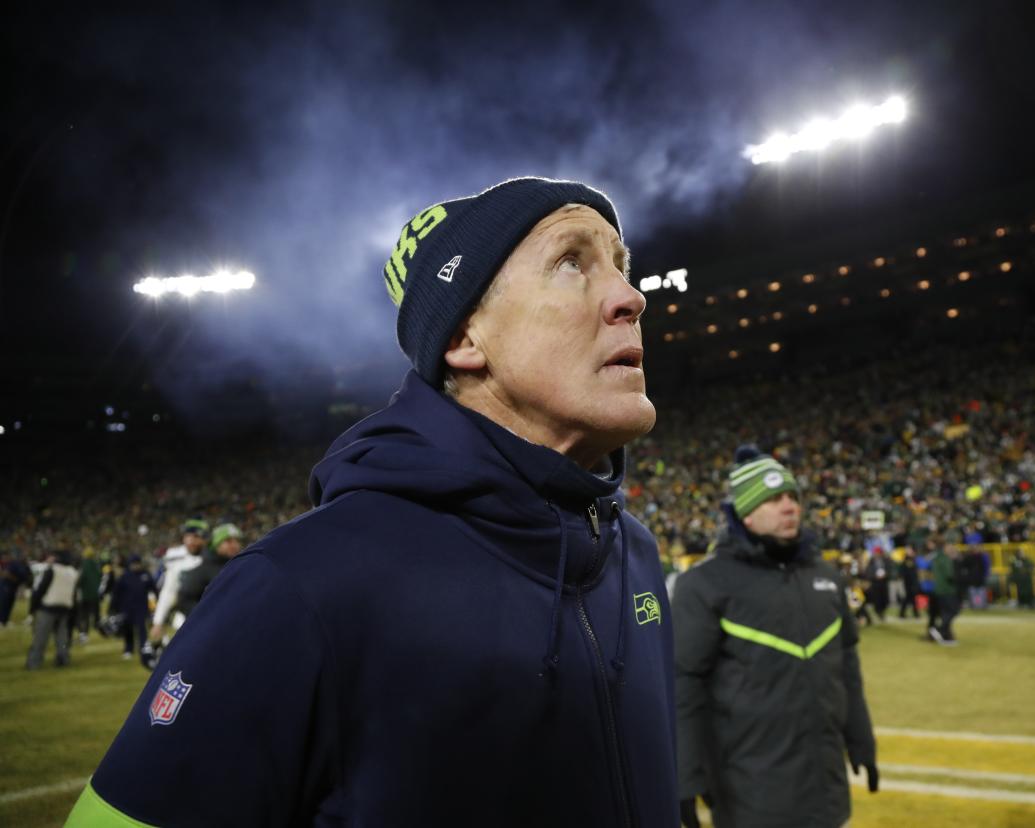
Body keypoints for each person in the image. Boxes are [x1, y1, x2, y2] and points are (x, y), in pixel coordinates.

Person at [69, 177, 677, 827]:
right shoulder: (303, 584)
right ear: (465, 339)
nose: (630, 296)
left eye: (621, 264)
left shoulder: (631, 554)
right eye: (570, 263)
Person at [673, 447, 878, 828]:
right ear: (746, 513)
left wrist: (862, 742)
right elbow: (683, 686)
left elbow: (846, 667)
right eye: (772, 499)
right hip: (748, 796)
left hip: (828, 793)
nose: (789, 507)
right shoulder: (704, 585)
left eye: (792, 497)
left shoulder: (826, 579)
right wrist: (685, 777)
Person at [148, 518, 209, 643]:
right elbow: (169, 591)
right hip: (185, 618)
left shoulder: (214, 558)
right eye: (188, 536)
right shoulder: (176, 557)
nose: (191, 540)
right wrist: (158, 621)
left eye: (196, 536)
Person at [25, 549, 79, 669]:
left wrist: (33, 607)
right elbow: (74, 595)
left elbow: (41, 589)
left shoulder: (53, 570)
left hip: (49, 608)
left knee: (41, 637)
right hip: (65, 608)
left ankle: (34, 663)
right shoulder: (73, 572)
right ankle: (63, 660)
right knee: (62, 638)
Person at [176, 523, 243, 618]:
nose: (235, 545)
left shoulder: (239, 564)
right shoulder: (203, 569)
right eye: (228, 541)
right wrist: (208, 618)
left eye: (237, 541)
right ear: (217, 544)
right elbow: (184, 600)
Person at [111, 555, 156, 660]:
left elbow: (154, 589)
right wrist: (114, 607)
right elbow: (116, 593)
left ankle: (143, 649)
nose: (135, 566)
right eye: (133, 564)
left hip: (142, 607)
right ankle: (128, 649)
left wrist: (155, 604)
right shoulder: (124, 576)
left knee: (142, 629)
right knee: (128, 630)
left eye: (137, 563)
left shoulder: (145, 575)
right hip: (126, 608)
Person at [929, 539, 960, 646]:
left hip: (938, 590)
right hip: (947, 589)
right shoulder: (945, 559)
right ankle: (940, 630)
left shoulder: (936, 557)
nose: (952, 548)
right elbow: (950, 575)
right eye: (950, 546)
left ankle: (946, 636)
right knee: (953, 611)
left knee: (945, 613)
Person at [76, 546, 103, 643]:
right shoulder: (96, 564)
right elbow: (100, 577)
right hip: (95, 594)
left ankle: (84, 634)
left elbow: (80, 578)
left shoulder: (84, 564)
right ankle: (103, 632)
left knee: (84, 616)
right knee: (96, 616)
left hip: (86, 594)